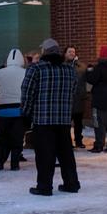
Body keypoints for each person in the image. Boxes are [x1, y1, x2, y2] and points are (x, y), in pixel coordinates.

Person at [20, 38, 79, 196]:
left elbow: (27, 91)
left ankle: (44, 186)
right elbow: (73, 91)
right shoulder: (69, 70)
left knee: (45, 154)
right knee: (66, 152)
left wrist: (25, 112)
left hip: (43, 119)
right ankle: (71, 183)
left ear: (45, 52)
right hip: (63, 119)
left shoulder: (36, 69)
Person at [0, 48, 26, 171]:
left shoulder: (0, 73)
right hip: (19, 110)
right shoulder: (25, 72)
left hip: (3, 110)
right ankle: (14, 164)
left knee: (2, 137)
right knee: (17, 138)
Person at [64, 46, 88, 148]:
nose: (72, 53)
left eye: (73, 52)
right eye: (69, 51)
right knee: (66, 124)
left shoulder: (81, 66)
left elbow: (86, 79)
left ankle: (79, 141)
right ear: (65, 53)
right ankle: (67, 142)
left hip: (78, 98)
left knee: (78, 123)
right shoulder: (62, 66)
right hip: (66, 99)